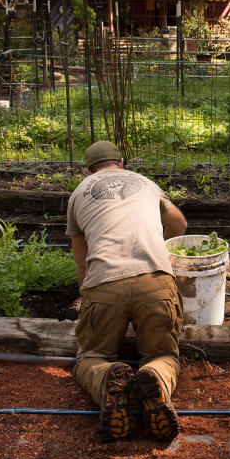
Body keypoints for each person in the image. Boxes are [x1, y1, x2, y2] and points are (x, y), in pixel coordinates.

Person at [66, 140, 188, 442]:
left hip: (105, 284)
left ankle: (109, 379)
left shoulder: (78, 194)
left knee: (90, 356)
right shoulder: (145, 183)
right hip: (155, 282)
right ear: (121, 163)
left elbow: (81, 260)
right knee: (163, 353)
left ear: (87, 171)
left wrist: (88, 300)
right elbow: (181, 225)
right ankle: (156, 378)